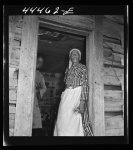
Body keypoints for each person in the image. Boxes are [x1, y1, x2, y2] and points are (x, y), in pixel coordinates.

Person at [54, 48, 93, 136]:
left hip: (76, 94)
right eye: (72, 54)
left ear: (79, 57)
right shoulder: (68, 69)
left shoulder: (82, 67)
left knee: (75, 119)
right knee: (62, 120)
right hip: (67, 95)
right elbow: (65, 82)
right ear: (70, 57)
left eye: (76, 54)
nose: (74, 55)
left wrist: (82, 103)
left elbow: (85, 84)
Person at [32, 54, 47, 136]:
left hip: (34, 100)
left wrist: (37, 90)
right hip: (24, 97)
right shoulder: (28, 69)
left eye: (41, 62)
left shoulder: (40, 75)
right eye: (38, 60)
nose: (39, 62)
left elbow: (44, 88)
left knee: (35, 124)